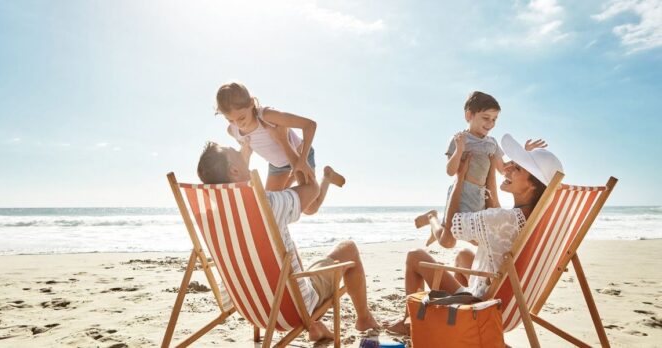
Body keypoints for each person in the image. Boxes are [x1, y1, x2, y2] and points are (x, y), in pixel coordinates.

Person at [197, 141, 380, 342]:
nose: (240, 152)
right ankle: (364, 319)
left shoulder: (211, 217)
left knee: (285, 252)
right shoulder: (266, 204)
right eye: (235, 152)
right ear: (233, 170)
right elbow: (312, 189)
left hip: (248, 306)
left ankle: (315, 327)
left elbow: (237, 182)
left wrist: (246, 157)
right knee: (349, 248)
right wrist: (294, 155)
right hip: (292, 308)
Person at [386, 134, 563, 335]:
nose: (509, 168)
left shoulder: (504, 219)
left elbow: (453, 226)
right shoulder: (537, 219)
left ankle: (409, 322)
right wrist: (509, 169)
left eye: (518, 168)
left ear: (532, 184)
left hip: (485, 307)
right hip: (515, 304)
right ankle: (453, 322)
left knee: (415, 255)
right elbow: (497, 206)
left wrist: (459, 179)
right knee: (464, 257)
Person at [416, 91, 547, 245]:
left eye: (494, 119)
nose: (490, 124)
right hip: (462, 193)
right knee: (447, 241)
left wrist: (523, 155)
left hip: (481, 196)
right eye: (486, 118)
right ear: (469, 115)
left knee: (481, 240)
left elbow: (503, 169)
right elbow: (450, 171)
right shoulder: (459, 139)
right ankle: (432, 219)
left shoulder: (492, 143)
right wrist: (459, 150)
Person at [215, 81, 344, 214]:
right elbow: (247, 152)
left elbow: (310, 125)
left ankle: (327, 177)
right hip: (278, 166)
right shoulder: (233, 131)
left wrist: (302, 160)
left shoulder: (267, 116)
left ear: (251, 103)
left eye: (241, 117)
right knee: (269, 209)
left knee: (310, 209)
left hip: (298, 155)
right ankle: (292, 178)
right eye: (230, 120)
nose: (238, 123)